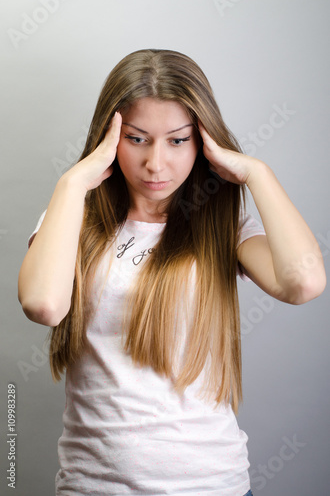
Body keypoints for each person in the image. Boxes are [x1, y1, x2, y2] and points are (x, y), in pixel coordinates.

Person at [18, 49, 326, 496]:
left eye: (178, 140)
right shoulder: (71, 217)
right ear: (109, 136)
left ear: (203, 141)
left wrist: (258, 174)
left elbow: (304, 282)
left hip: (211, 485)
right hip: (94, 487)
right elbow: (44, 305)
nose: (156, 164)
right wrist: (71, 183)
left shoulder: (223, 225)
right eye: (137, 138)